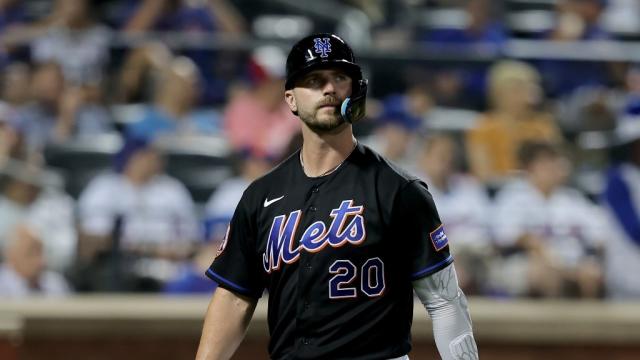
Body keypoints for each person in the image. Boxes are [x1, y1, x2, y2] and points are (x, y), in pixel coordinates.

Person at [196, 33, 478, 360]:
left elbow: (444, 300)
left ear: (355, 90)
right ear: (290, 99)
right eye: (315, 80)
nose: (329, 89)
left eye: (340, 78)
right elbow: (234, 296)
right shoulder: (261, 196)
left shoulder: (398, 190)